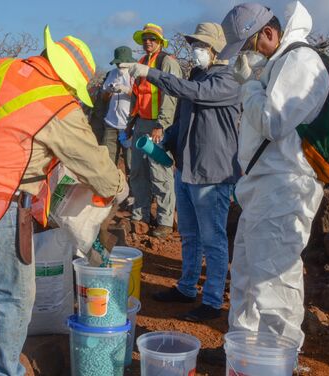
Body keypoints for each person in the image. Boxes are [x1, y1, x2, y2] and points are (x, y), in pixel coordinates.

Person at [0, 26, 127, 376]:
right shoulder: (57, 106)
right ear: (69, 80)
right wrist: (118, 185)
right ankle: (3, 371)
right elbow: (95, 166)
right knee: (15, 296)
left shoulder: (2, 69)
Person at [220, 1, 328, 350]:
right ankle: (243, 354)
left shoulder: (301, 60)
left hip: (284, 187)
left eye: (250, 47)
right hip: (262, 186)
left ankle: (276, 360)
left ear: (269, 32)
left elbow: (272, 122)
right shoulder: (278, 64)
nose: (248, 57)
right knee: (248, 278)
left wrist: (249, 83)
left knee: (274, 282)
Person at [122, 23, 241, 321]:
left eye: (201, 45)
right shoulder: (198, 76)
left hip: (212, 174)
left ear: (216, 49)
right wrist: (167, 138)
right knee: (189, 235)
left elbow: (195, 93)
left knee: (213, 238)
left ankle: (212, 301)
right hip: (187, 170)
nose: (196, 50)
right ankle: (187, 287)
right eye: (194, 44)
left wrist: (152, 74)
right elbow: (186, 118)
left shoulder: (228, 80)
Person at [128, 23, 182, 238]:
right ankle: (140, 215)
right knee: (138, 170)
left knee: (160, 172)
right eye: (145, 38)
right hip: (141, 122)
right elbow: (136, 94)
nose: (148, 42)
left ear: (160, 41)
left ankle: (165, 221)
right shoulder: (141, 62)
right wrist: (130, 123)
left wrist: (161, 124)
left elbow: (171, 95)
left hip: (158, 124)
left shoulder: (167, 62)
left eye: (152, 38)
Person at [101, 46, 136, 177]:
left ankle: (134, 195)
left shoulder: (135, 75)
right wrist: (109, 91)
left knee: (131, 163)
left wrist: (126, 90)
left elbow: (141, 98)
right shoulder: (112, 74)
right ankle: (110, 194)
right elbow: (104, 98)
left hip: (129, 125)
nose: (119, 65)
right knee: (107, 163)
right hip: (111, 123)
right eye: (117, 63)